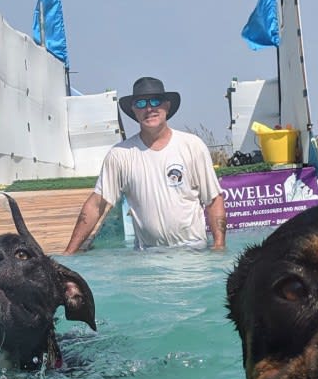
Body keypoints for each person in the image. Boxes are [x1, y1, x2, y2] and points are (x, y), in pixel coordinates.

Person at [63, 76, 226, 253]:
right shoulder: (120, 155)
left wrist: (219, 246)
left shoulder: (193, 146)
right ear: (134, 110)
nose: (149, 109)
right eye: (141, 103)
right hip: (147, 256)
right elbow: (96, 205)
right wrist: (69, 253)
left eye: (156, 101)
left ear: (167, 106)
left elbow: (213, 199)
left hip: (194, 251)